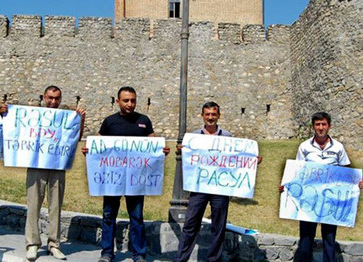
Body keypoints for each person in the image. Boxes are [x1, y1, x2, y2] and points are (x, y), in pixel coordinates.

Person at [82, 86, 169, 262]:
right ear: (118, 101)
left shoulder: (144, 120)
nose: (130, 104)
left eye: (133, 100)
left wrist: (160, 151)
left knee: (136, 217)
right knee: (108, 215)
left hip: (135, 179)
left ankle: (139, 254)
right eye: (126, 100)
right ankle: (107, 252)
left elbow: (153, 143)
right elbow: (98, 143)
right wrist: (90, 151)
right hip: (112, 179)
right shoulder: (109, 122)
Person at [0, 85, 86, 261]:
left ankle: (54, 244)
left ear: (60, 99)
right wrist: (5, 114)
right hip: (36, 164)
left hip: (57, 165)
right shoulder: (32, 116)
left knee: (55, 206)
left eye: (57, 98)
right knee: (33, 204)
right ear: (44, 98)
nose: (53, 101)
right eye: (50, 98)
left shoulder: (66, 118)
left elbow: (74, 139)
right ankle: (32, 244)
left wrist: (80, 120)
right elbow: (14, 130)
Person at [174, 101, 262, 262]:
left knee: (218, 226)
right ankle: (181, 259)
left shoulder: (227, 137)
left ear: (218, 116)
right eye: (207, 114)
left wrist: (251, 160)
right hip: (199, 187)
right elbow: (189, 157)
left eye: (213, 114)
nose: (210, 118)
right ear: (202, 116)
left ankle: (213, 259)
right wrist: (183, 150)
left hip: (220, 188)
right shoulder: (194, 137)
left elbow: (236, 158)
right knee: (190, 224)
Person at [279, 112, 363, 262]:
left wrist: (356, 183)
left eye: (324, 124)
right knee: (305, 237)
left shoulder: (338, 147)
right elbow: (298, 171)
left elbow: (346, 171)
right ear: (313, 127)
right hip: (308, 199)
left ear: (329, 126)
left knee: (329, 238)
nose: (321, 127)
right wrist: (286, 186)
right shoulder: (304, 146)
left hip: (330, 201)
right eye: (317, 124)